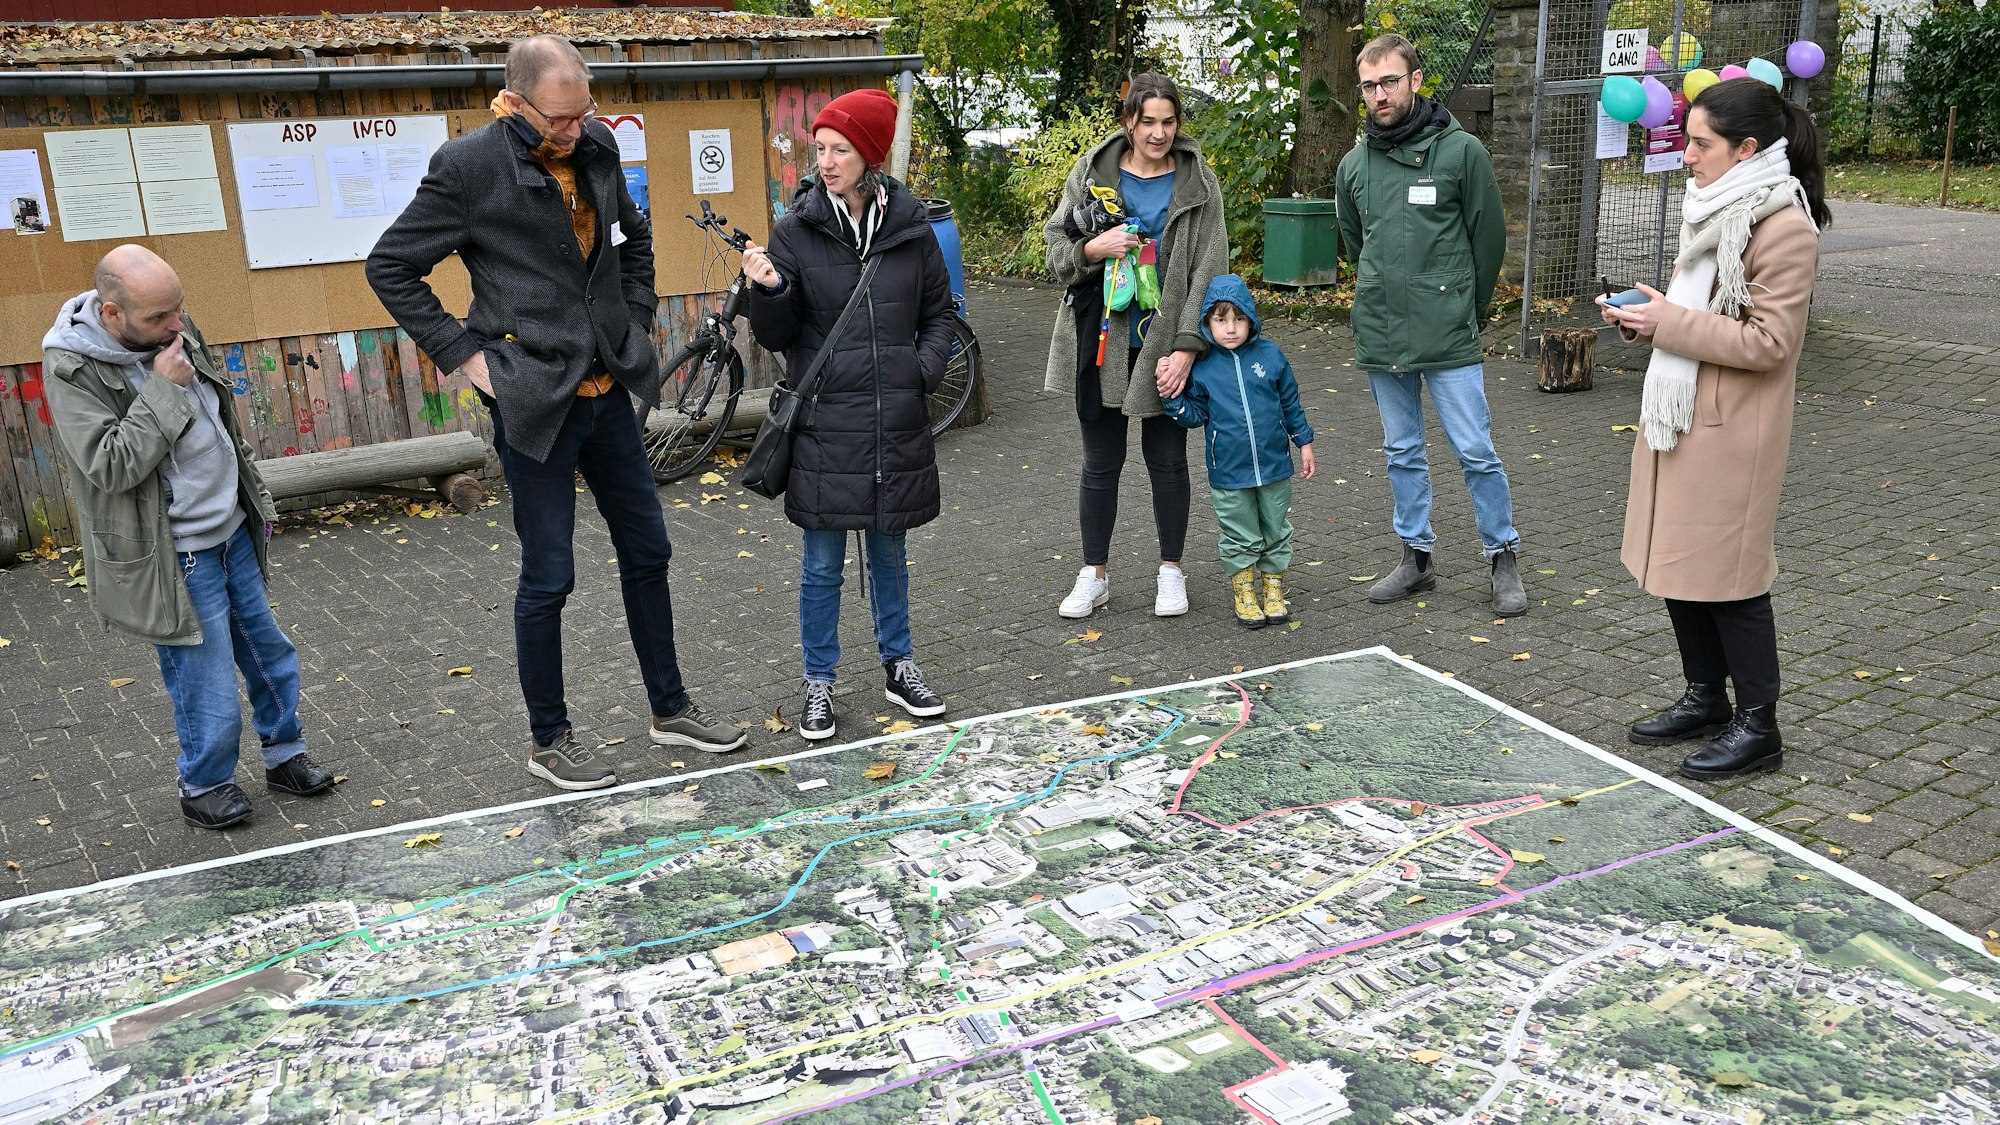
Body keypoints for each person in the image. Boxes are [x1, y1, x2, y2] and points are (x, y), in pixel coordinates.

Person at [367, 34, 743, 791]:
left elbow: (633, 242)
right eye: (562, 120)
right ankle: (549, 740)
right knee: (550, 575)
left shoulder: (597, 143)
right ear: (515, 100)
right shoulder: (469, 168)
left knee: (650, 550)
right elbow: (389, 265)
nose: (577, 131)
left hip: (608, 395)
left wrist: (631, 320)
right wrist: (468, 358)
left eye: (584, 114)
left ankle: (670, 710)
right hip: (534, 402)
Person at [42, 245, 335, 830]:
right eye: (159, 317)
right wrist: (164, 390)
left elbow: (217, 418)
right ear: (112, 312)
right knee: (205, 679)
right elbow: (111, 464)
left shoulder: (169, 328)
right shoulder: (71, 369)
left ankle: (284, 756)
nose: (177, 326)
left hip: (232, 531)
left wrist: (246, 485)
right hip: (177, 552)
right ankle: (204, 785)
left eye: (180, 310)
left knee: (268, 654)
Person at [1600, 78, 1828, 781]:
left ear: (1747, 149)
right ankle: (1706, 696)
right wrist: (1653, 322)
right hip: (1686, 411)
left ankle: (1759, 725)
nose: (1686, 155)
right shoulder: (1716, 204)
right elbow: (1705, 315)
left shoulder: (1783, 224)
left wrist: (1670, 322)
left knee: (1731, 577)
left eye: (1701, 144)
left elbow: (1770, 344)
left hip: (1735, 430)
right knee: (1682, 564)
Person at [741, 88, 956, 742]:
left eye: (840, 149)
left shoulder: (912, 229)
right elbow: (779, 336)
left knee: (890, 552)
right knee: (821, 563)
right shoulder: (795, 230)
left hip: (894, 420)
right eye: (821, 148)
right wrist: (769, 291)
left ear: (870, 154)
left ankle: (900, 664)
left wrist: (919, 373)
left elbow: (939, 316)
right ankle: (819, 681)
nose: (826, 160)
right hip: (826, 424)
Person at [1334, 34, 1526, 617]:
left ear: (1416, 80)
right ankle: (1416, 559)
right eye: (1369, 86)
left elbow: (1487, 239)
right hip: (1382, 328)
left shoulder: (1462, 151)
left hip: (1449, 330)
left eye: (1389, 81)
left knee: (1475, 449)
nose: (1379, 95)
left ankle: (1503, 556)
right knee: (1401, 450)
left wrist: (1470, 312)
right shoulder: (1353, 164)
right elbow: (1354, 240)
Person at [1041, 72, 1229, 621]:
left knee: (1168, 461)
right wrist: (1092, 248)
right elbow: (1055, 249)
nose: (1159, 132)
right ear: (1129, 121)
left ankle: (1171, 571)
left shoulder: (1199, 182)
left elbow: (1209, 270)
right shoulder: (1093, 172)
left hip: (1167, 342)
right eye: (1148, 121)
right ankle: (1094, 574)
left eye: (1168, 121)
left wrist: (1188, 347)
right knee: (1101, 462)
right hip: (1100, 337)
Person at [1160, 275, 1316, 628]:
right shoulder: (1203, 367)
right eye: (1220, 320)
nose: (1230, 329)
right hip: (1228, 471)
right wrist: (1171, 397)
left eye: (1238, 319)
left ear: (1251, 319)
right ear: (1207, 323)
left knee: (1276, 530)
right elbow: (1194, 416)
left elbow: (1290, 403)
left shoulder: (1271, 356)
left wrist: (1303, 442)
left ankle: (1273, 588)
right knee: (1240, 533)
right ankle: (1245, 591)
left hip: (1275, 466)